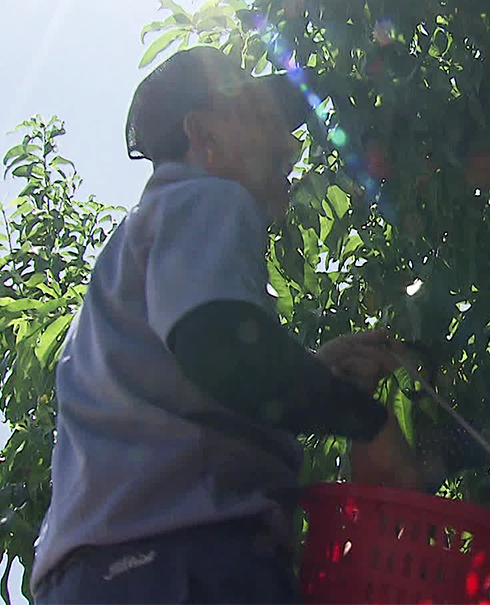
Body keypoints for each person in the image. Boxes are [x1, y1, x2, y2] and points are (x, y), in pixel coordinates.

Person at [29, 46, 422, 604]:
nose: (290, 144)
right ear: (204, 136)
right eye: (264, 120)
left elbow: (195, 379)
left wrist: (311, 374)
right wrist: (366, 421)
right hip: (180, 565)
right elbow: (216, 343)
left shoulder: (145, 239)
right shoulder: (209, 197)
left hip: (101, 573)